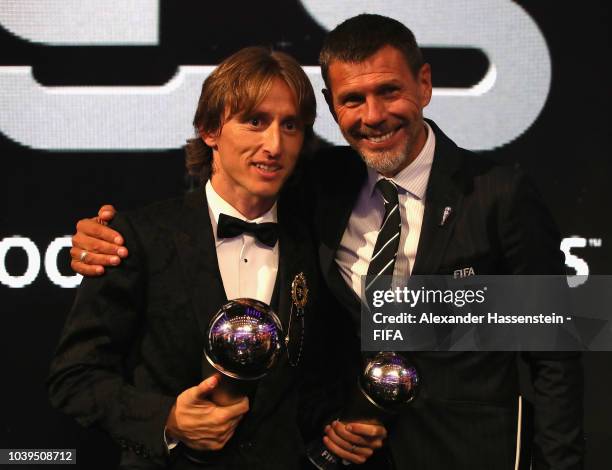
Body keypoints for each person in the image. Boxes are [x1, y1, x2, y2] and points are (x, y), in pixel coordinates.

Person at [70, 14, 584, 470]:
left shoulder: (498, 193)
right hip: (343, 456)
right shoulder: (323, 185)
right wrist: (106, 236)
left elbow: (556, 352)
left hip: (465, 451)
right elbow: (226, 185)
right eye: (352, 99)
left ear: (424, 84)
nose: (373, 115)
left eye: (389, 91)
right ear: (334, 109)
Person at [48, 46, 385, 470]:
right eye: (255, 121)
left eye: (291, 125)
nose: (274, 144)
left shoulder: (316, 244)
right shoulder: (139, 237)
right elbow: (74, 378)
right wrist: (167, 420)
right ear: (210, 129)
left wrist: (338, 423)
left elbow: (310, 382)